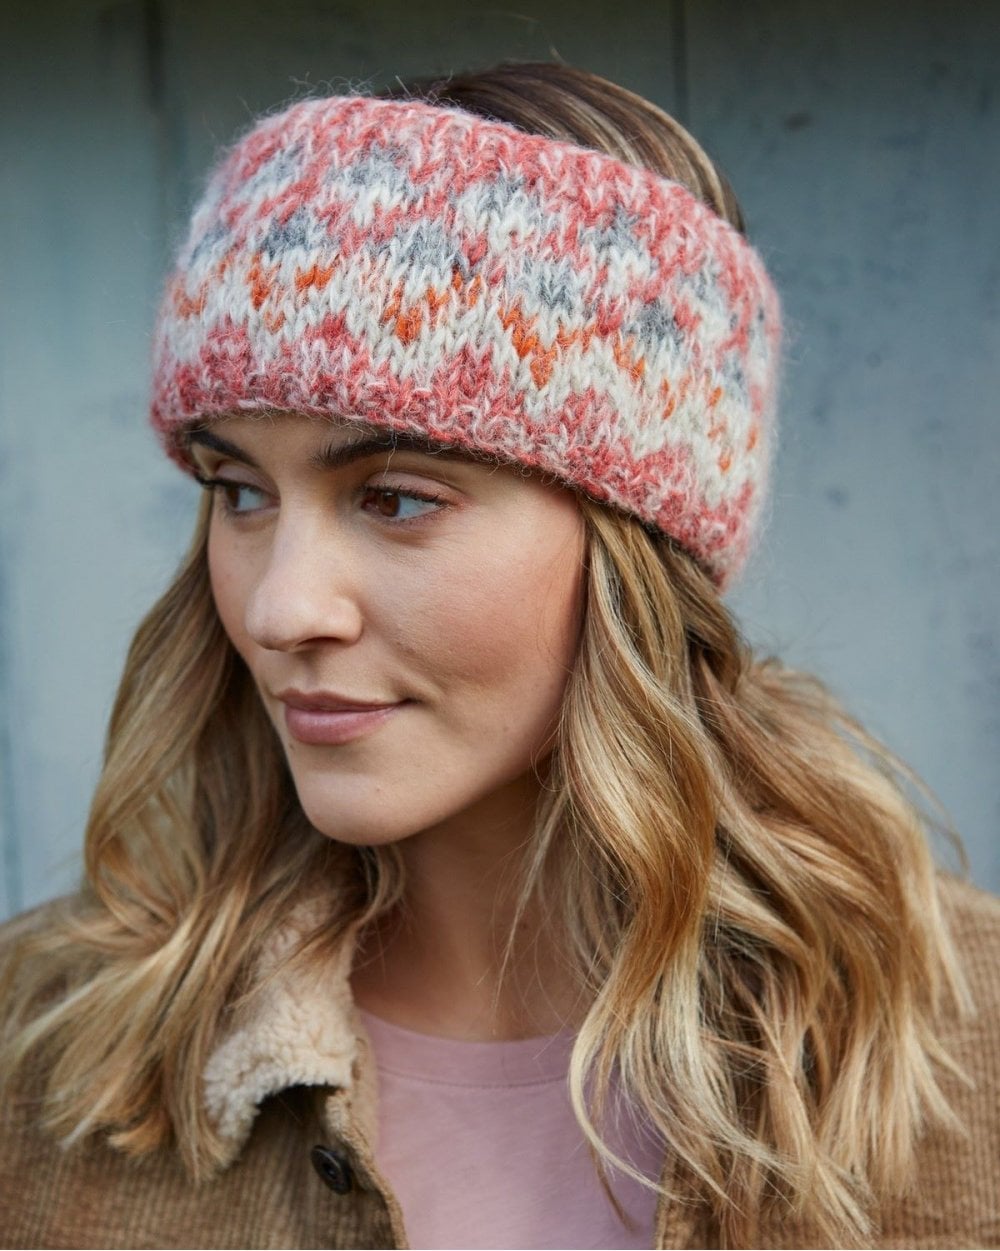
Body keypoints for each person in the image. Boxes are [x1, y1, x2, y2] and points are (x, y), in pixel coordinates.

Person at [0, 61, 997, 1251]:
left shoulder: (966, 1043)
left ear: (641, 547)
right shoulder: (40, 1054)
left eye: (397, 499)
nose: (279, 608)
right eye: (239, 490)